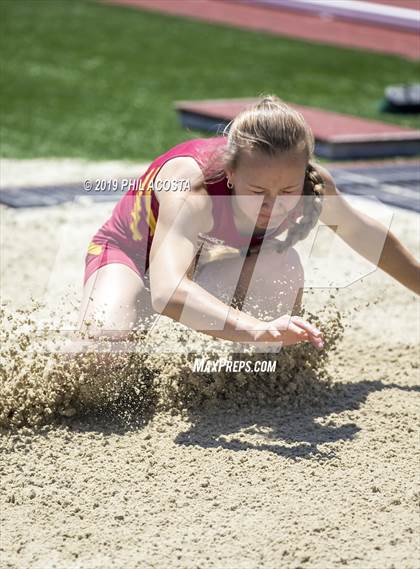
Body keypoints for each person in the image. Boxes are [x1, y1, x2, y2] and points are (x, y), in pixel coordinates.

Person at [75, 95, 420, 354]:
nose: (272, 204)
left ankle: (238, 372)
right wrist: (254, 329)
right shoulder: (189, 185)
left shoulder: (312, 185)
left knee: (280, 268)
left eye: (287, 190)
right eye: (257, 191)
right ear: (231, 172)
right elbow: (167, 290)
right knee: (102, 357)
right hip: (133, 256)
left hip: (205, 264)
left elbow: (362, 232)